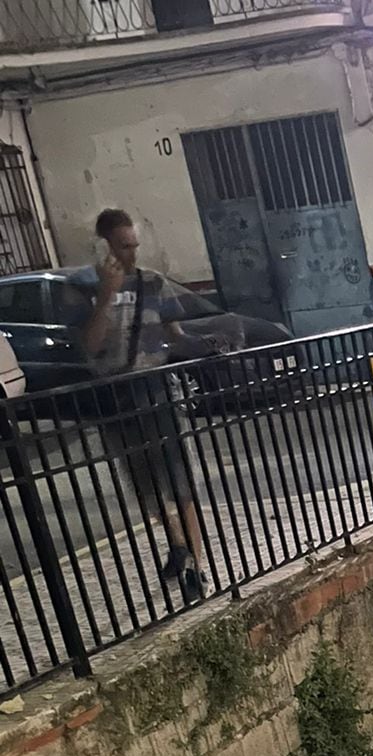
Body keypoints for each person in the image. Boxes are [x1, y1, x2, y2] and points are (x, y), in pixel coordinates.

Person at [70, 208, 207, 600]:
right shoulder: (83, 288)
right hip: (115, 395)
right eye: (122, 246)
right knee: (145, 484)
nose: (130, 254)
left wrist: (204, 344)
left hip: (155, 389)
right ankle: (178, 544)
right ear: (103, 246)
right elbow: (89, 346)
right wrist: (106, 296)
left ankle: (195, 565)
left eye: (134, 246)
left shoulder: (153, 283)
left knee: (179, 482)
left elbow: (175, 335)